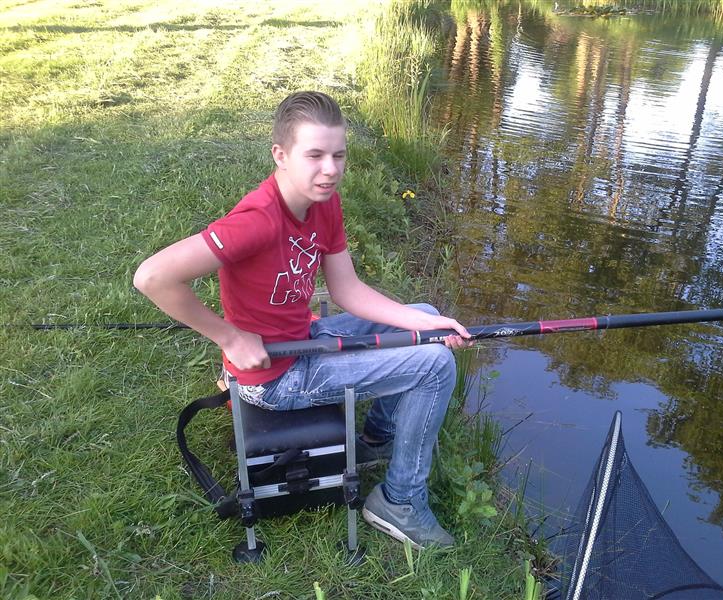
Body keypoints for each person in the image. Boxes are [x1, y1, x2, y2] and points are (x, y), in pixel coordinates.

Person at [133, 90, 471, 549]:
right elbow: (152, 277)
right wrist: (230, 337)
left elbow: (348, 290)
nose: (330, 169)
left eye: (338, 155)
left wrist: (427, 324)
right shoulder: (257, 220)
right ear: (281, 155)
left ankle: (377, 439)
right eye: (314, 155)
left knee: (424, 318)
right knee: (435, 365)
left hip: (304, 339)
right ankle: (401, 501)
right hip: (274, 377)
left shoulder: (323, 202)